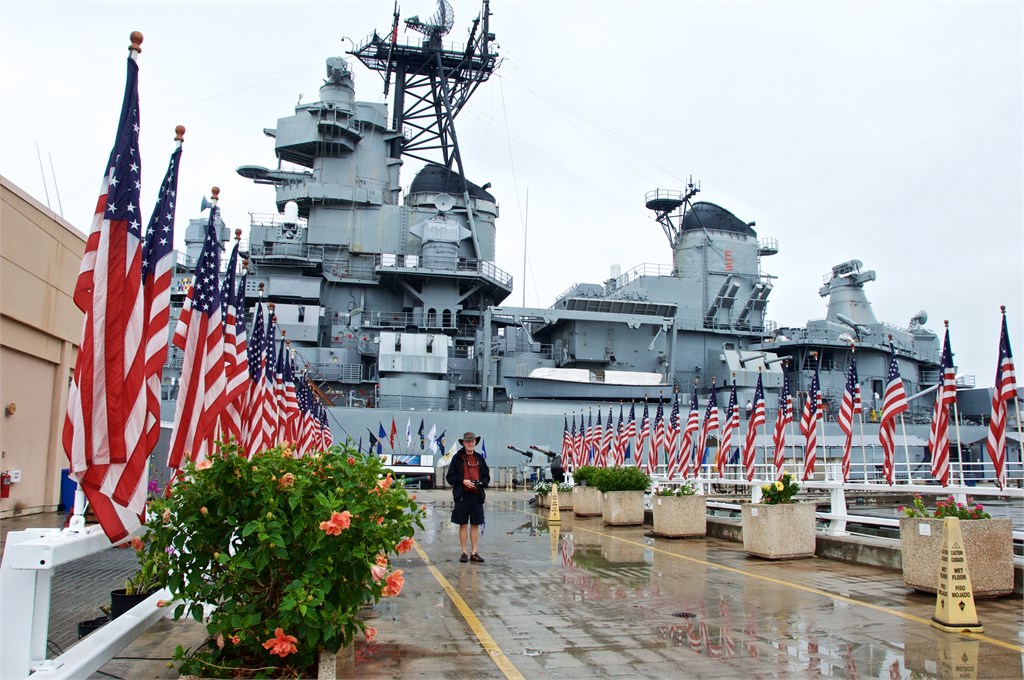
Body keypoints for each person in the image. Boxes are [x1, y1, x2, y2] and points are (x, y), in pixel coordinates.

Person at [446, 431, 490, 563]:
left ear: (475, 442)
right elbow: (450, 477)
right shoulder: (457, 458)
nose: (470, 443)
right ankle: (464, 552)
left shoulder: (479, 458)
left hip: (476, 496)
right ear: (463, 443)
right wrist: (463, 481)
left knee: (475, 524)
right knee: (463, 525)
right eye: (468, 441)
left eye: (472, 441)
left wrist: (481, 483)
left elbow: (486, 476)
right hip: (462, 496)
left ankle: (474, 552)